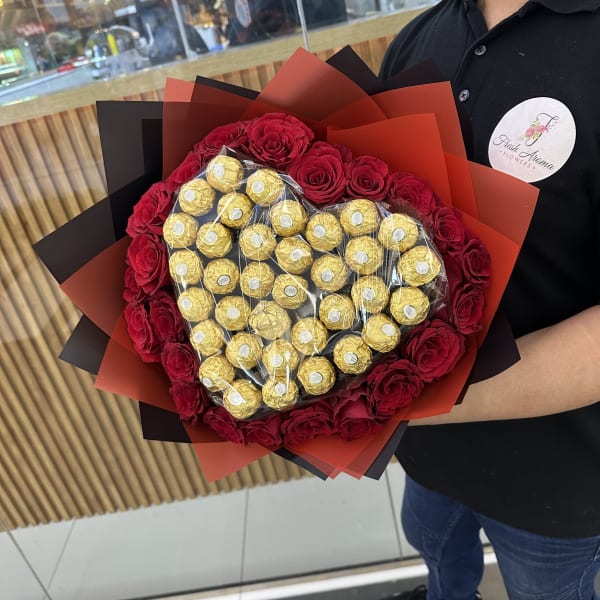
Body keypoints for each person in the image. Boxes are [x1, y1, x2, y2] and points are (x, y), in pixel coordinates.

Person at [379, 1, 600, 598]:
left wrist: (426, 397)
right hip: (427, 452)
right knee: (437, 558)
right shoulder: (419, 39)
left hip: (557, 480)